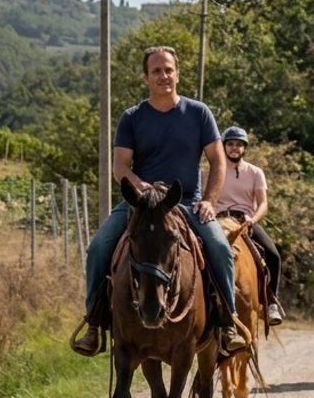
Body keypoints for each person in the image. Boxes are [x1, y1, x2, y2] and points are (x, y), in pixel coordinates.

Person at [71, 44, 249, 357]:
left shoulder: (199, 113)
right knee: (98, 248)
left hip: (187, 202)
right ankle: (94, 324)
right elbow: (120, 166)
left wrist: (210, 201)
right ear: (146, 77)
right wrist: (139, 186)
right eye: (156, 71)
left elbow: (217, 161)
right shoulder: (132, 117)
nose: (163, 76)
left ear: (177, 74)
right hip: (141, 205)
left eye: (168, 70)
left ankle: (227, 321)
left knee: (220, 248)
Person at [215, 125, 284, 325]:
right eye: (230, 144)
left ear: (244, 148)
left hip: (245, 221)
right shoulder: (213, 170)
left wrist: (252, 220)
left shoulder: (255, 172)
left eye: (239, 145)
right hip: (218, 221)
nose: (234, 148)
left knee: (273, 255)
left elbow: (263, 204)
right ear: (224, 146)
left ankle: (271, 302)